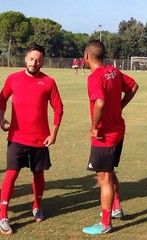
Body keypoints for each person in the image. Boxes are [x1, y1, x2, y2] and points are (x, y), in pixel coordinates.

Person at [0, 42, 64, 235]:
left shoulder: (49, 82)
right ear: (25, 58)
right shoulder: (13, 79)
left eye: (38, 60)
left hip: (40, 140)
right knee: (11, 174)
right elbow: (2, 98)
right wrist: (1, 117)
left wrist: (53, 133)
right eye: (31, 59)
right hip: (17, 138)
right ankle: (3, 216)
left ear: (42, 62)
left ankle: (36, 207)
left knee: (39, 174)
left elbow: (58, 108)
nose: (34, 63)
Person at [82, 40, 139, 235]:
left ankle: (105, 223)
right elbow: (133, 86)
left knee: (104, 178)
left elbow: (99, 102)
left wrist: (94, 127)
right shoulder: (112, 71)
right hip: (118, 131)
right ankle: (116, 208)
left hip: (105, 135)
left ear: (86, 56)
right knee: (110, 172)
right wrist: (120, 106)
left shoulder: (95, 77)